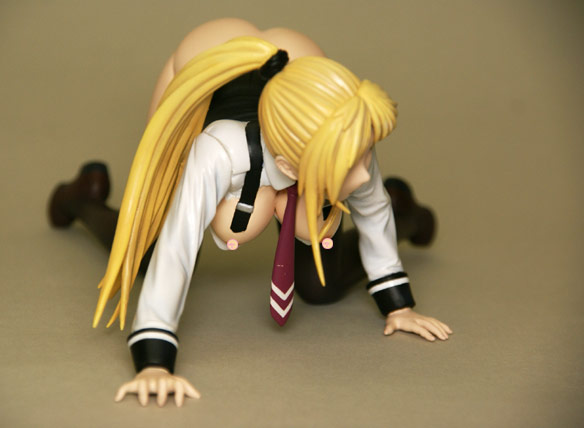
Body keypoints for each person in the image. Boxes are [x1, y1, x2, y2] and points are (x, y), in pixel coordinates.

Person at [48, 19, 451, 407]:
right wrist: (154, 361)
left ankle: (406, 212)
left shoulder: (341, 133)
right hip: (205, 57)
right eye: (353, 167)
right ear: (289, 167)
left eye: (365, 159)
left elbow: (372, 204)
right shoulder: (217, 151)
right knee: (146, 252)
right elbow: (177, 243)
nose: (364, 175)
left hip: (295, 61)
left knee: (320, 286)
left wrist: (399, 305)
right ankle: (80, 199)